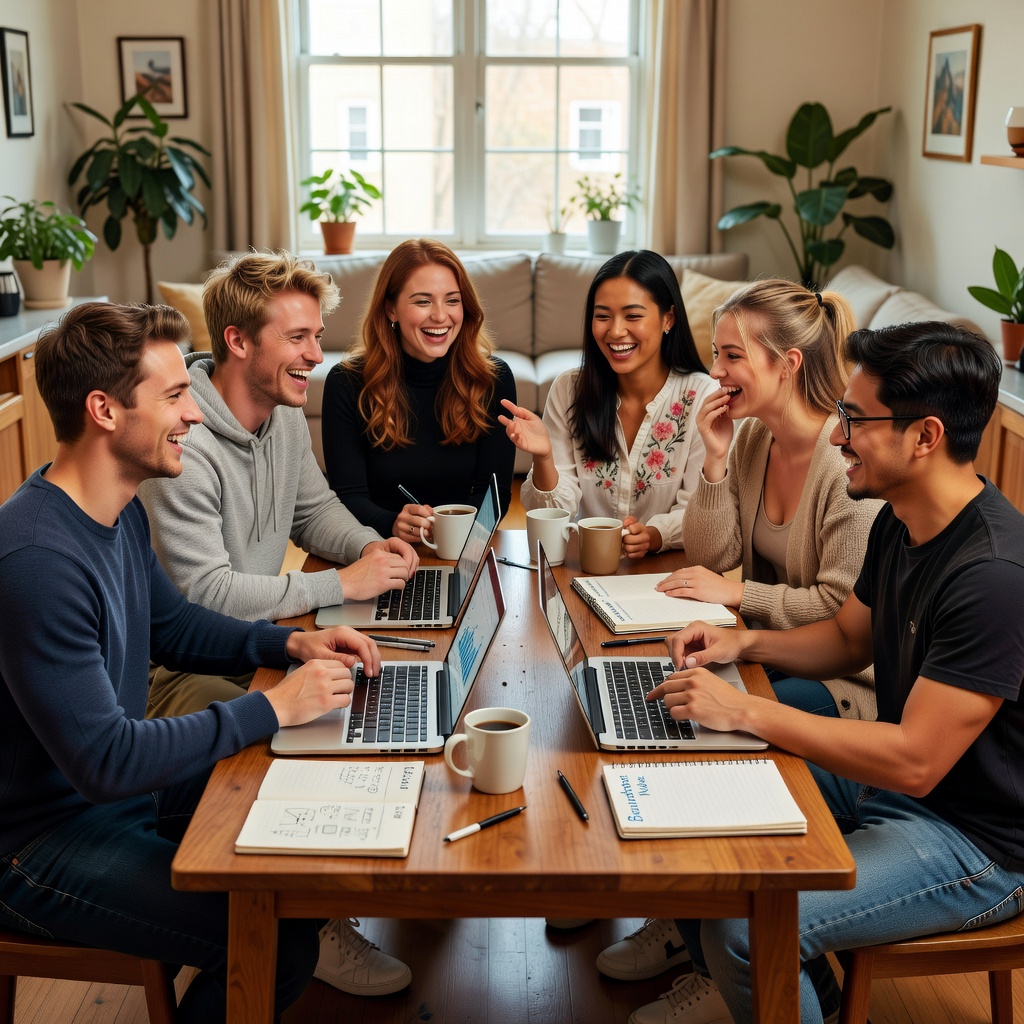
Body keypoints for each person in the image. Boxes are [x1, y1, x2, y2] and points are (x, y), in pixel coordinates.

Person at [0, 302, 391, 1022]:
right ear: (104, 411)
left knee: (300, 805)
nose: (194, 414)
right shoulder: (35, 560)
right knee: (277, 945)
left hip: (110, 801)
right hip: (35, 846)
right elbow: (107, 760)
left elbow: (173, 626)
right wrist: (272, 705)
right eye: (175, 396)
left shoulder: (118, 510)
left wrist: (290, 644)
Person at [630, 322, 1024, 1024]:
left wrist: (747, 710)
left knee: (744, 928)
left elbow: (915, 761)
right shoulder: (902, 520)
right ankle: (798, 998)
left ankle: (770, 984)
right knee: (694, 794)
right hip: (902, 791)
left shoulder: (992, 576)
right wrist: (740, 644)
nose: (837, 435)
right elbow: (847, 639)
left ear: (925, 436)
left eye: (855, 419)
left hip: (977, 842)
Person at [138, 251, 419, 720]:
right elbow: (207, 597)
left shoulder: (282, 412)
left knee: (380, 686)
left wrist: (368, 547)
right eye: (297, 337)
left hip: (264, 637)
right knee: (333, 717)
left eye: (317, 336)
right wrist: (340, 583)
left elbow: (313, 510)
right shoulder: (183, 445)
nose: (316, 355)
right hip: (187, 671)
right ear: (237, 340)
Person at [658, 279, 882, 719]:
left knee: (690, 714)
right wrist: (715, 460)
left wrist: (740, 593)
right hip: (765, 652)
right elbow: (710, 557)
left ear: (788, 364)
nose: (715, 370)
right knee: (669, 689)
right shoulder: (754, 438)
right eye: (717, 353)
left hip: (842, 682)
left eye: (732, 356)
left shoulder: (845, 466)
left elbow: (839, 614)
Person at [499, 250, 715, 558]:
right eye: (602, 316)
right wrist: (544, 457)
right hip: (584, 565)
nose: (615, 331)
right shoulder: (569, 390)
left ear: (668, 318)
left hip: (667, 567)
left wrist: (655, 535)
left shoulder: (702, 397)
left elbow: (701, 511)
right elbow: (552, 512)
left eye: (633, 316)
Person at [321, 238, 517, 540]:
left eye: (452, 300)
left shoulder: (493, 379)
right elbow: (348, 496)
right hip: (378, 545)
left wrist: (454, 534)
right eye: (423, 301)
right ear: (391, 309)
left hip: (464, 547)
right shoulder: (345, 383)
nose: (440, 316)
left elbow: (495, 495)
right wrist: (391, 523)